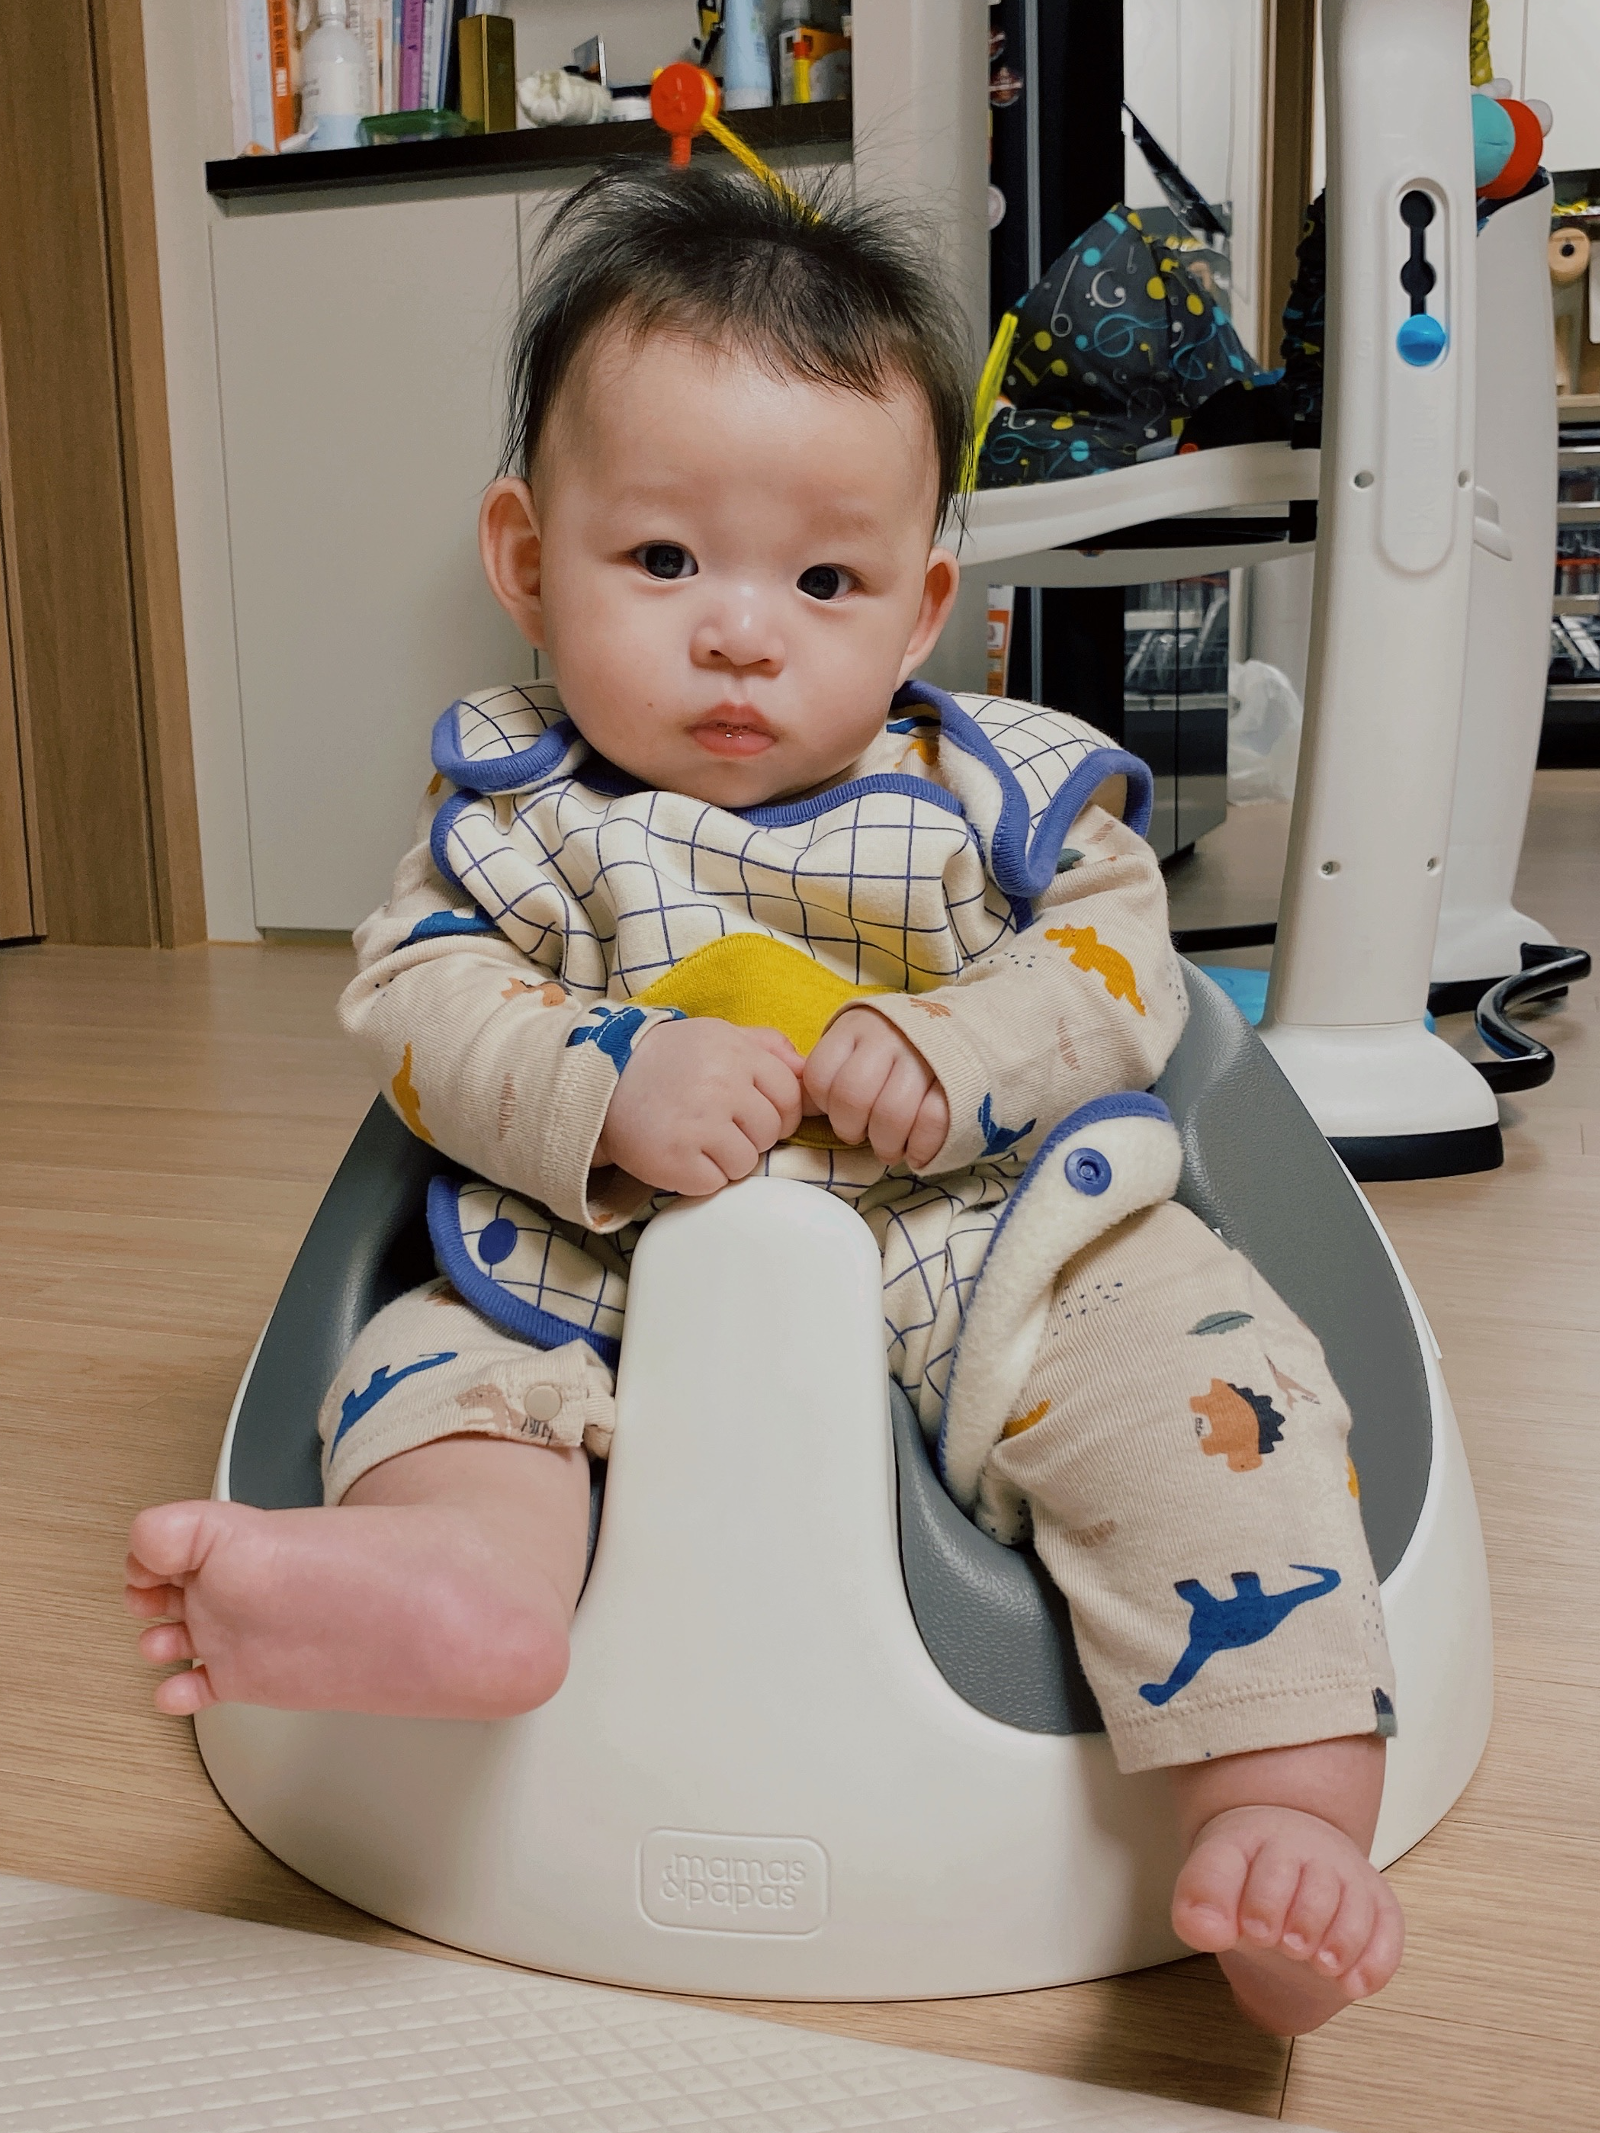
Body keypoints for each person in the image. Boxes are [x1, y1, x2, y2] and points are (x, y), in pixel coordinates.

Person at [126, 163, 1401, 2035]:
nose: (743, 633)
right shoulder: (521, 819)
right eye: (663, 561)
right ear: (525, 557)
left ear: (923, 605)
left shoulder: (998, 797)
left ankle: (1281, 1815)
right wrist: (605, 1074)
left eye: (824, 581)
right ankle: (458, 1589)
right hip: (590, 1275)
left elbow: (1124, 976)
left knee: (1210, 1408)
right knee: (438, 1377)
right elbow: (418, 1004)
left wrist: (965, 1049)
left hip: (1003, 1263)